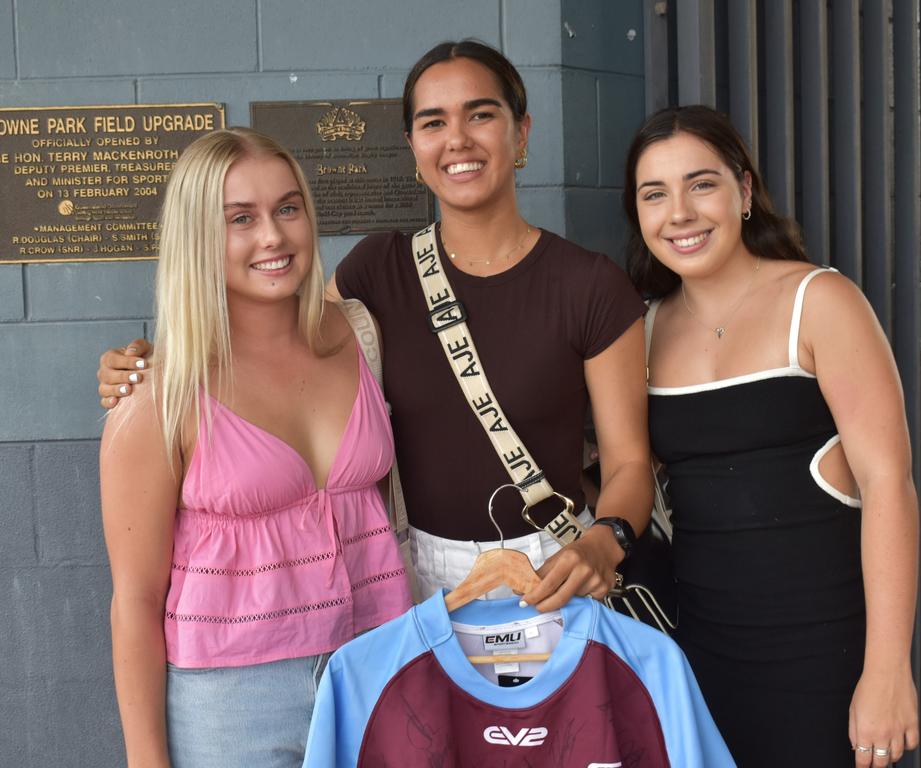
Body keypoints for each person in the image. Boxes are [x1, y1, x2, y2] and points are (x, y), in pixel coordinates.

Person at [97, 40, 652, 614]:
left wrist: (603, 543)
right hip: (414, 579)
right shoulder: (379, 268)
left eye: (481, 114)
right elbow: (274, 337)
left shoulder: (591, 286)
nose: (458, 139)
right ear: (414, 147)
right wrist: (154, 363)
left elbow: (630, 462)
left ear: (522, 133)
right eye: (433, 122)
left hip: (554, 572)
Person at [99, 128, 412, 768]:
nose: (273, 236)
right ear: (197, 237)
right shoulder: (158, 394)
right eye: (240, 219)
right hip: (232, 701)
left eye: (287, 208)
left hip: (379, 665)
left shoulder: (358, 333)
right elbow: (133, 600)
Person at [623, 104, 920, 768]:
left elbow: (888, 486)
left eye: (701, 184)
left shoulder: (820, 301)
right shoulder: (641, 330)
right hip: (697, 646)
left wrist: (888, 670)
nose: (680, 212)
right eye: (654, 193)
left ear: (745, 191)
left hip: (824, 648)